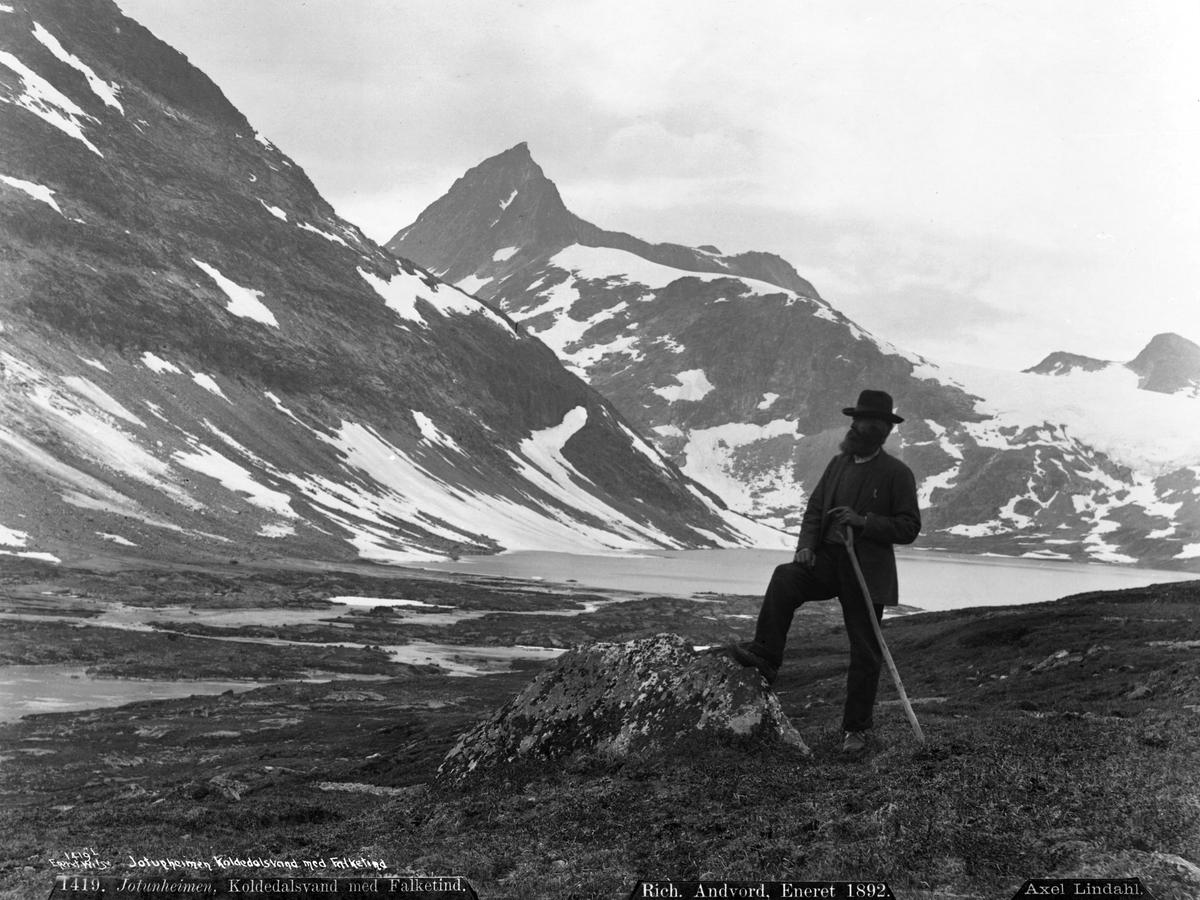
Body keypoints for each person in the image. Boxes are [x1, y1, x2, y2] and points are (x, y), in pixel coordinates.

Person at [714, 389, 921, 754]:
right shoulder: (837, 465)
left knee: (865, 652)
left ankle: (855, 731)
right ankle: (765, 657)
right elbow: (814, 509)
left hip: (866, 572)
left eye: (865, 423)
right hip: (827, 561)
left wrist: (865, 522)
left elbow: (908, 527)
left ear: (882, 430)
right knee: (786, 577)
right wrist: (806, 546)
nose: (856, 428)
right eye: (855, 421)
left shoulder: (896, 474)